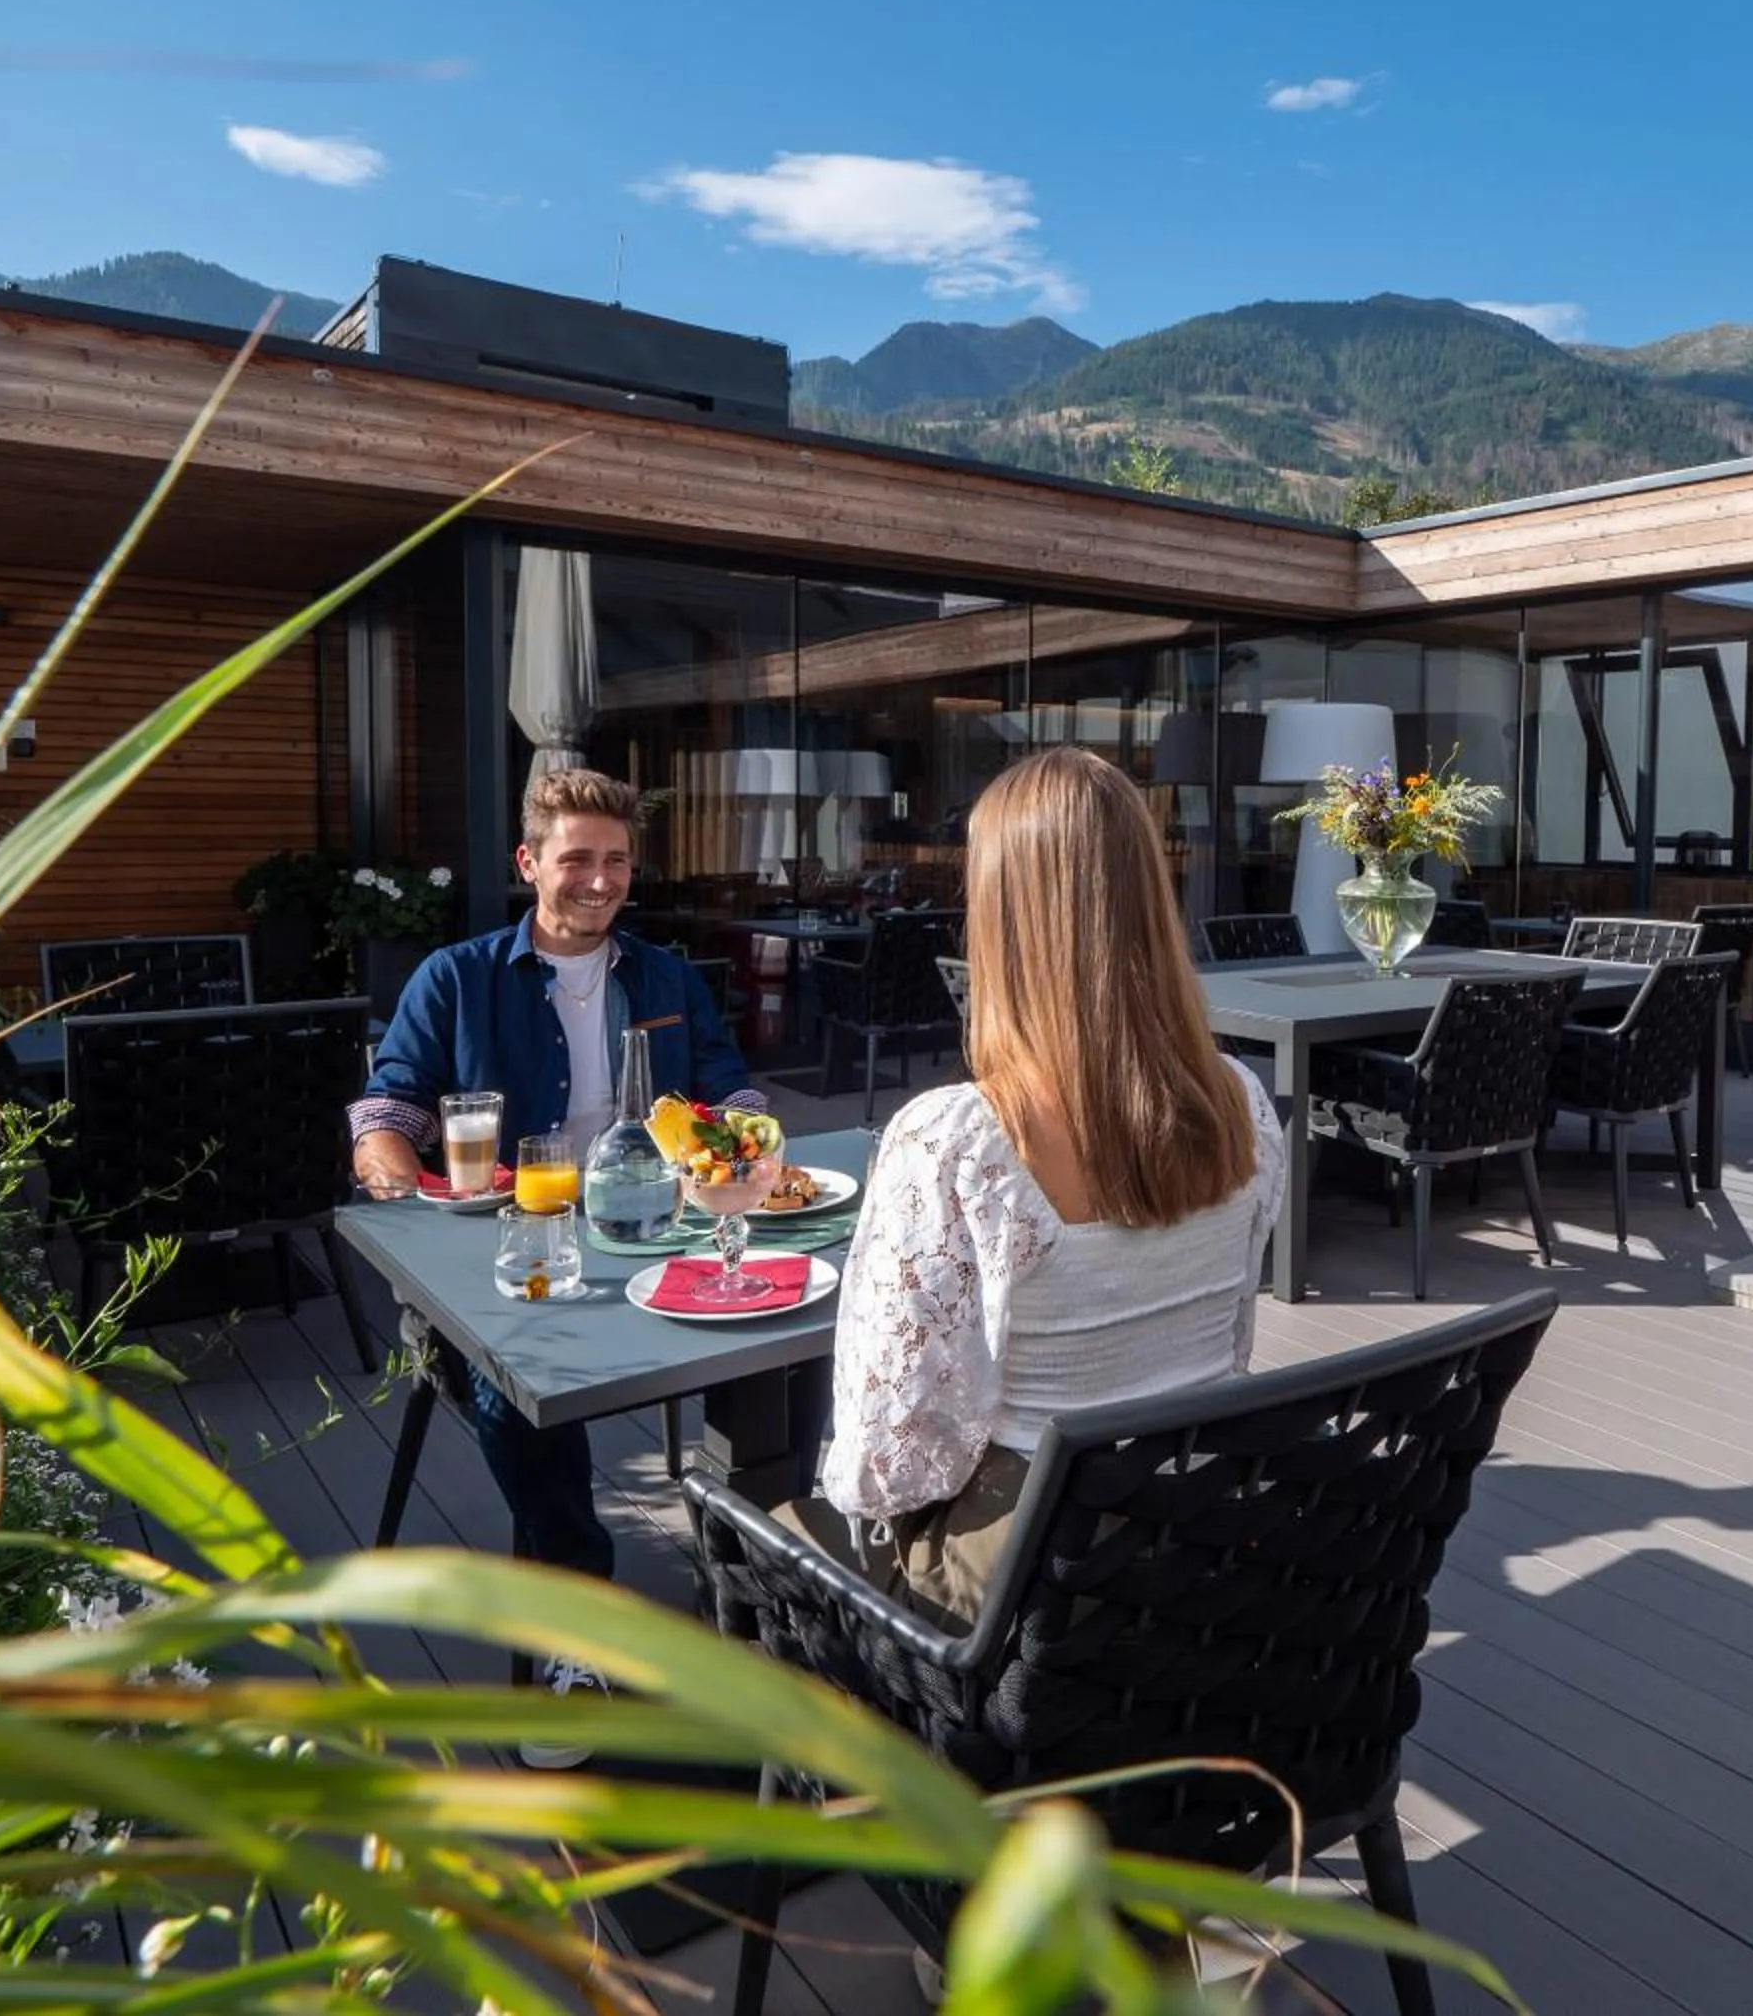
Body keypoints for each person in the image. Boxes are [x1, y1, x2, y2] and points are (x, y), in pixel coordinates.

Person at [787, 747, 1284, 1628]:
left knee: (772, 1521)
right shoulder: (1243, 1102)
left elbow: (888, 1462)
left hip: (1042, 1582)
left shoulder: (959, 1140)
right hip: (1204, 1527)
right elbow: (1230, 1341)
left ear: (999, 913)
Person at [350, 765, 761, 1758]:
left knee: (779, 1339)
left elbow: (730, 1095)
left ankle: (760, 1600)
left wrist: (742, 1143)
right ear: (531, 862)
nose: (599, 879)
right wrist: (389, 1167)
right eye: (576, 858)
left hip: (651, 1230)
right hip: (503, 1245)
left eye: (616, 861)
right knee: (511, 1388)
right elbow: (390, 1105)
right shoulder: (457, 977)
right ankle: (581, 1619)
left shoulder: (663, 976)